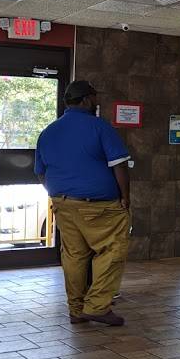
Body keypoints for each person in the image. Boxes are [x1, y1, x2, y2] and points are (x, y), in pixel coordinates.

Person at [35, 80, 131, 327]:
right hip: (100, 206)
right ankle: (97, 306)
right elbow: (119, 165)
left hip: (63, 204)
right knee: (112, 250)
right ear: (87, 100)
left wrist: (57, 194)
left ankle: (76, 310)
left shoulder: (48, 132)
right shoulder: (99, 126)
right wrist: (125, 197)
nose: (97, 101)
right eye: (94, 97)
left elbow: (41, 172)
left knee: (74, 256)